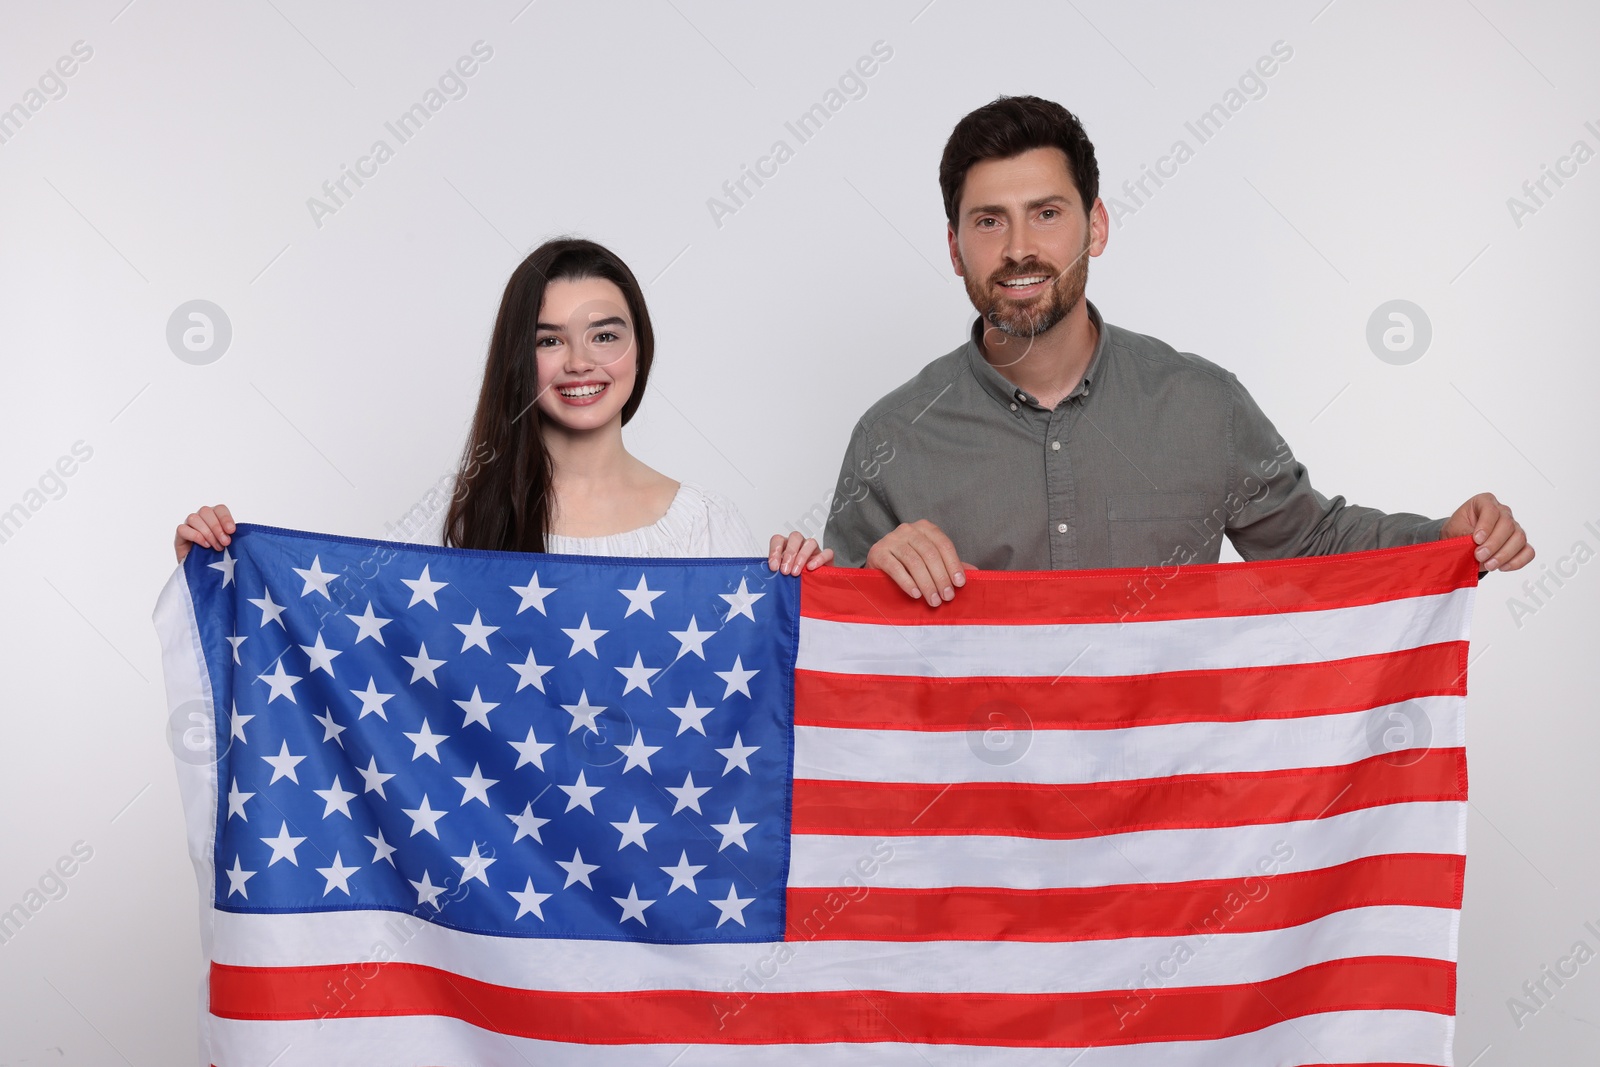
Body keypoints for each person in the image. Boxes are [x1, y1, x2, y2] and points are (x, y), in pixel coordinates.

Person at [823, 95, 1533, 605]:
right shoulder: (892, 438)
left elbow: (1312, 547)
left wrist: (1449, 538)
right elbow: (835, 654)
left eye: (1046, 213)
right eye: (988, 221)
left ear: (1095, 227)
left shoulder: (1202, 405)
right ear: (954, 248)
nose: (1018, 249)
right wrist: (866, 584)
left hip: (1167, 807)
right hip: (984, 809)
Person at [175, 237, 830, 574]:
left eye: (605, 333)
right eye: (550, 339)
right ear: (520, 357)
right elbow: (365, 657)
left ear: (639, 345)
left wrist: (816, 597)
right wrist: (220, 573)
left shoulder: (707, 529)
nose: (580, 361)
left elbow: (756, 712)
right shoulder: (464, 522)